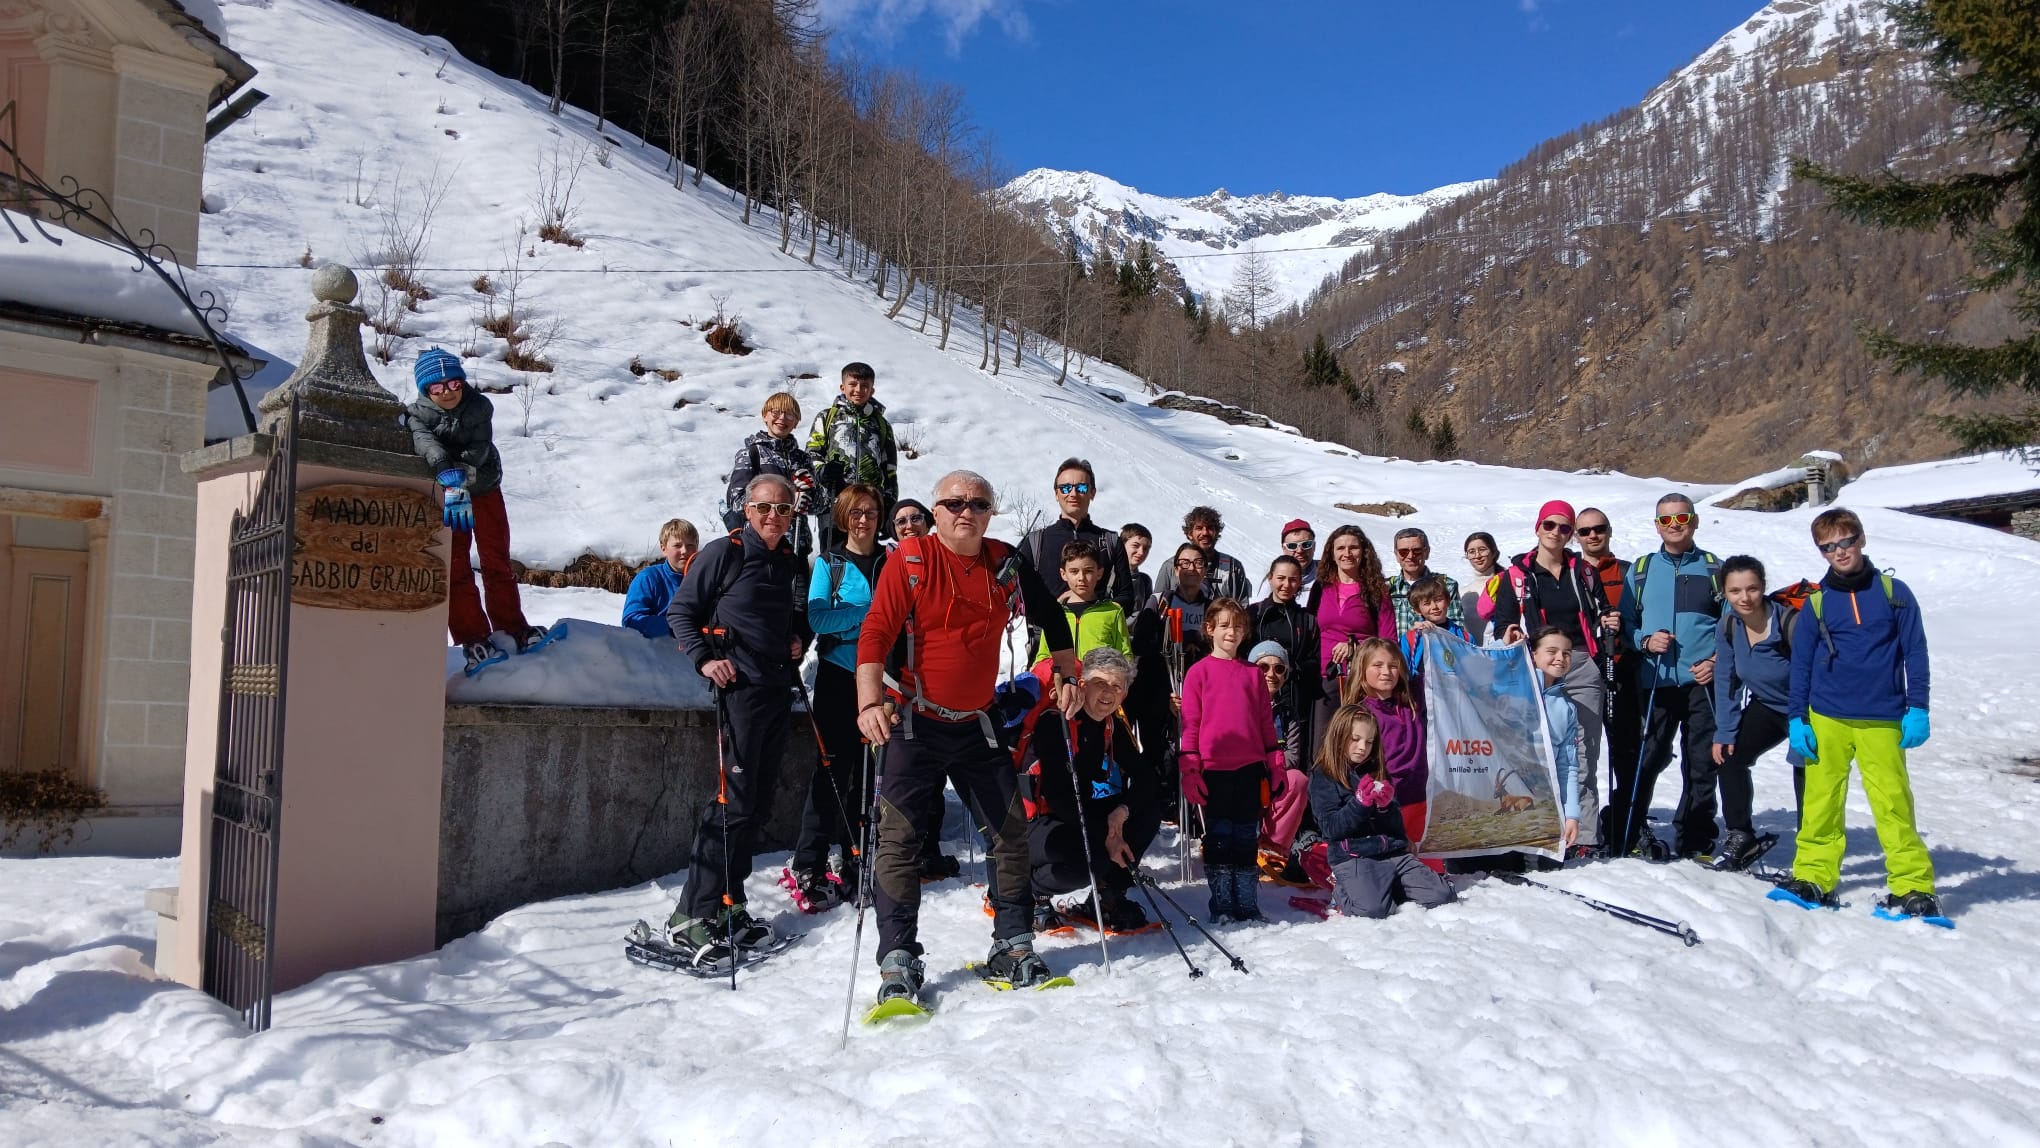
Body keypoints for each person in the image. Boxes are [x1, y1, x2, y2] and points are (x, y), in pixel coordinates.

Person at [856, 471, 1079, 1001]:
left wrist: (1068, 674)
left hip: (977, 721)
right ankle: (898, 959)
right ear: (936, 510)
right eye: (955, 502)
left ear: (990, 512)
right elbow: (876, 631)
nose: (967, 511)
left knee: (1010, 832)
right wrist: (868, 703)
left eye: (979, 503)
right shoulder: (910, 560)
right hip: (914, 718)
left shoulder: (1005, 562)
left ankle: (1014, 943)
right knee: (900, 841)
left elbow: (1051, 614)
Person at [661, 474, 812, 968]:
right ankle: (693, 912)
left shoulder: (787, 560)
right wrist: (705, 659)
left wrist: (797, 640)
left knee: (757, 802)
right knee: (734, 800)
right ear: (746, 509)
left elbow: (784, 619)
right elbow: (680, 611)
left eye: (784, 510)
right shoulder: (722, 554)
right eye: (765, 508)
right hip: (738, 692)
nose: (774, 516)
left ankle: (730, 902)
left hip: (774, 688)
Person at [1775, 509, 1938, 919]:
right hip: (1827, 716)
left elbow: (1915, 653)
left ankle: (1913, 886)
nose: (1838, 552)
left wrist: (1918, 707)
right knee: (1820, 803)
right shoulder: (1816, 603)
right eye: (1828, 547)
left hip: (1883, 717)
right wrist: (1798, 718)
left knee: (1893, 803)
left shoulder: (1893, 593)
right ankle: (1814, 877)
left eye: (1845, 542)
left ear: (1860, 540)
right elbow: (1802, 666)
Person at [404, 347, 548, 672]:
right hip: (449, 497)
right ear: (426, 390)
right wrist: (446, 475)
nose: (448, 393)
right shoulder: (416, 415)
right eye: (437, 388)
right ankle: (473, 637)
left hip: (484, 489)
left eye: (453, 384)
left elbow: (479, 448)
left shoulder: (480, 406)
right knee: (455, 565)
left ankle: (513, 628)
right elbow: (426, 443)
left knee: (496, 560)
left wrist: (461, 478)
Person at [1490, 500, 1616, 855]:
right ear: (1538, 527)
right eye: (1550, 525)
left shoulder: (1584, 572)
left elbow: (1602, 609)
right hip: (1538, 666)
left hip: (1580, 662)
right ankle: (1539, 826)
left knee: (1583, 751)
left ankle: (1585, 836)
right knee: (1536, 749)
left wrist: (1608, 619)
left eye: (1565, 528)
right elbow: (1502, 622)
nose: (1557, 533)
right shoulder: (1515, 577)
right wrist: (1511, 631)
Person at [789, 485, 889, 911]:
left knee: (870, 777)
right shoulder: (830, 562)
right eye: (855, 513)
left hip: (882, 679)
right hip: (838, 676)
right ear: (843, 518)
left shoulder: (893, 559)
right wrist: (866, 617)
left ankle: (857, 856)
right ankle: (808, 860)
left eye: (870, 512)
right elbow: (818, 616)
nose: (863, 520)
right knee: (832, 771)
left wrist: (849, 623)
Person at [1612, 494, 1724, 859]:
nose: (1674, 526)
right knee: (1650, 754)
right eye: (1665, 521)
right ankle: (1632, 827)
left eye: (1681, 519)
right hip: (1655, 679)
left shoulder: (1713, 569)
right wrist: (1644, 641)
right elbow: (1626, 623)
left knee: (1702, 760)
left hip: (1700, 680)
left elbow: (1733, 624)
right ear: (1656, 524)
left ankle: (1696, 835)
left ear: (1694, 521)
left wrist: (1716, 659)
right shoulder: (1641, 570)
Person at [1025, 648, 1157, 934]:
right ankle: (1029, 891)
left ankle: (1107, 895)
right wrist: (1107, 836)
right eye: (1100, 683)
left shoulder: (1109, 723)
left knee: (1147, 811)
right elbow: (1059, 797)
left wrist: (1121, 813)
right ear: (1082, 684)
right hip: (1036, 822)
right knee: (1092, 858)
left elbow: (1145, 776)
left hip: (1077, 812)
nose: (1108, 693)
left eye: (1116, 686)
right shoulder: (1056, 721)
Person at [1178, 599, 1285, 922]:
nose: (1231, 632)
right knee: (1220, 835)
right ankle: (1222, 903)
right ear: (1210, 629)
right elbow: (1190, 725)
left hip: (1250, 768)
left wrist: (1275, 762)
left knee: (1245, 835)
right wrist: (1189, 768)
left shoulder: (1253, 674)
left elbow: (1266, 722)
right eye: (1224, 625)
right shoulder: (1198, 673)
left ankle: (1247, 902)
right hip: (1214, 769)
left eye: (1238, 626)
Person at [1308, 704, 1456, 919]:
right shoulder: (1324, 775)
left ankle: (1390, 887)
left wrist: (1387, 807)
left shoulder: (1377, 770)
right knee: (1372, 910)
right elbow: (1331, 828)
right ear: (1338, 735)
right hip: (1355, 855)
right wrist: (1359, 804)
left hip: (1391, 851)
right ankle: (1342, 891)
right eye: (1355, 738)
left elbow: (1396, 826)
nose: (1362, 747)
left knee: (1442, 896)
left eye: (1369, 742)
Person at [1710, 554, 1802, 870]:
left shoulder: (1789, 623)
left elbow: (1816, 674)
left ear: (1763, 587)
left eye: (1751, 589)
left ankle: (1812, 843)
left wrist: (1805, 723)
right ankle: (1741, 834)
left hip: (1807, 709)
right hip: (1769, 706)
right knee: (1729, 757)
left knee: (1806, 768)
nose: (1744, 598)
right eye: (1735, 591)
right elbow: (1726, 679)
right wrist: (1725, 730)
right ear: (1725, 592)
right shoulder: (1729, 625)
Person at [1574, 506, 1640, 844]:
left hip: (1622, 669)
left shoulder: (1628, 573)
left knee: (1627, 750)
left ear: (1609, 530)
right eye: (1584, 531)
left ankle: (1627, 821)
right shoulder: (1572, 572)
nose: (1592, 535)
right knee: (1583, 753)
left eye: (1598, 528)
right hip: (1585, 670)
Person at [1343, 637, 1431, 859]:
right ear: (1362, 668)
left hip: (1421, 799)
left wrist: (1429, 631)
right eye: (1377, 665)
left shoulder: (1412, 699)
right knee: (1396, 870)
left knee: (1431, 875)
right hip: (1385, 807)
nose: (1386, 672)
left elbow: (1441, 668)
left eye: (1393, 666)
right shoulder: (1360, 713)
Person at [1307, 525, 1395, 733]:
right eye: (1340, 548)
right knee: (1322, 742)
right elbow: (1309, 628)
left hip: (1362, 679)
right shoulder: (1321, 587)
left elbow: (1388, 642)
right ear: (1332, 553)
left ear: (1364, 552)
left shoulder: (1376, 590)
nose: (1347, 554)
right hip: (1324, 679)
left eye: (1353, 547)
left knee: (1358, 741)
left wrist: (1356, 647)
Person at [1020, 459, 1138, 611]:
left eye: (1081, 488)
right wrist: (1052, 610)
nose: (1073, 494)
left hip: (1096, 632)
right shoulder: (1036, 541)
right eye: (1065, 488)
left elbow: (1127, 596)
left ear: (1092, 493)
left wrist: (1095, 610)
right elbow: (1020, 595)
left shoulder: (1111, 541)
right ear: (1056, 494)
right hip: (1047, 633)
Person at [807, 362, 899, 546]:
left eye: (865, 386)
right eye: (853, 384)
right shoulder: (827, 417)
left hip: (869, 503)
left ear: (872, 390)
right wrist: (822, 472)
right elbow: (812, 452)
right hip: (833, 499)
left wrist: (889, 502)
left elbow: (889, 467)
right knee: (832, 554)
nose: (859, 390)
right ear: (843, 387)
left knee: (865, 554)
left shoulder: (881, 424)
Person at [1248, 554, 1325, 764]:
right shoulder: (1254, 615)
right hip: (1255, 699)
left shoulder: (1307, 620)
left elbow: (1315, 660)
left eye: (1293, 579)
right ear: (1270, 578)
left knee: (1292, 761)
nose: (1286, 585)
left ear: (1300, 582)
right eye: (1281, 578)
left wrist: (1293, 668)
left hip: (1294, 700)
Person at [724, 392, 818, 558]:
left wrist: (810, 495)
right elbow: (737, 502)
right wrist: (784, 502)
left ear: (796, 422)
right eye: (775, 412)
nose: (782, 418)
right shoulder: (752, 454)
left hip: (797, 547)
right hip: (761, 547)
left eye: (789, 414)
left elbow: (819, 505)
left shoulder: (803, 459)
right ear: (764, 416)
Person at [1250, 640, 1314, 877]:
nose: (1271, 674)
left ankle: (1272, 848)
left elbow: (1293, 754)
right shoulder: (1240, 704)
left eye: (1279, 669)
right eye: (1263, 667)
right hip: (1242, 774)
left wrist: (1266, 764)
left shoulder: (1288, 713)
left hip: (1273, 775)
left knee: (1297, 779)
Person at [1034, 540, 1131, 664]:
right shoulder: (1054, 614)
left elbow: (1125, 655)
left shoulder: (1112, 611)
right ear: (1063, 574)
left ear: (1099, 573)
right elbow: (1043, 657)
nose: (1081, 578)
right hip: (1062, 682)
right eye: (1074, 571)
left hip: (1099, 681)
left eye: (1089, 571)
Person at [1531, 628, 1585, 851]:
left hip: (1544, 808)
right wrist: (1502, 645)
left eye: (1567, 653)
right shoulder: (1509, 689)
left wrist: (1571, 814)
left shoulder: (1567, 708)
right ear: (1533, 654)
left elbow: (1568, 766)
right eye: (1552, 651)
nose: (1560, 658)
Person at [1152, 506, 1252, 602]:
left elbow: (1242, 609)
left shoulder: (1233, 568)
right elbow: (1156, 606)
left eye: (1210, 528)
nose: (1205, 533)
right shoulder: (1171, 566)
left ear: (1217, 532)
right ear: (1189, 534)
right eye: (1199, 528)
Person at [621, 519, 699, 639]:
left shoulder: (706, 579)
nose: (684, 551)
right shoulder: (648, 578)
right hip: (660, 653)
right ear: (663, 549)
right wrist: (677, 627)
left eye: (690, 545)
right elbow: (631, 620)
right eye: (677, 545)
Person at [1388, 528, 1464, 637]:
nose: (1410, 556)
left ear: (1427, 552)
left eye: (1417, 551)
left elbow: (1457, 629)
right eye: (1403, 552)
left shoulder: (1447, 585)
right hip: (1396, 652)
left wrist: (1432, 630)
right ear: (1396, 555)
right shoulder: (1387, 589)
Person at [1155, 543, 1215, 669]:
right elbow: (1144, 641)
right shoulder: (1160, 601)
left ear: (1204, 570)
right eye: (1185, 563)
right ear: (1176, 570)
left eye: (1198, 563)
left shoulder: (1212, 609)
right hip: (1164, 674)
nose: (1191, 568)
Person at [1399, 574, 1471, 674]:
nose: (1434, 607)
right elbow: (1404, 672)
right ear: (1417, 610)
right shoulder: (1410, 639)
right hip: (1422, 688)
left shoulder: (1465, 638)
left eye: (1438, 600)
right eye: (1427, 603)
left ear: (1448, 601)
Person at [1254, 520, 1317, 599]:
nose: (1300, 550)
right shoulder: (1272, 582)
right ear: (1284, 549)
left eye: (1306, 544)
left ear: (1314, 546)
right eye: (1292, 546)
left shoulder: (1329, 575)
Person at [1461, 531, 1502, 643]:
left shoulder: (1506, 583)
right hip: (1474, 656)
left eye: (1482, 549)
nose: (1477, 556)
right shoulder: (1463, 593)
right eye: (1471, 552)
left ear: (1493, 552)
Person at [1121, 523, 1155, 606]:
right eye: (1135, 545)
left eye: (1146, 548)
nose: (1141, 552)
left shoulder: (1145, 582)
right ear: (1121, 545)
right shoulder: (1103, 573)